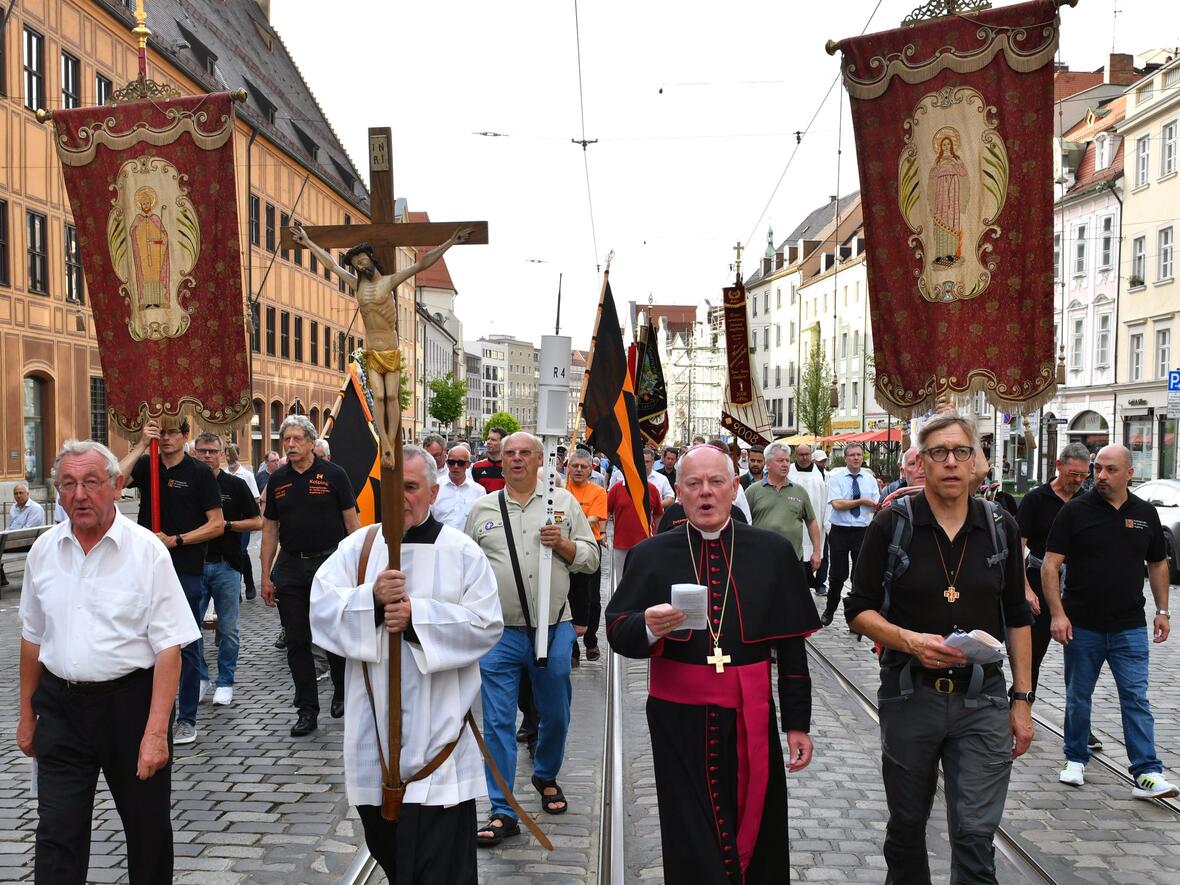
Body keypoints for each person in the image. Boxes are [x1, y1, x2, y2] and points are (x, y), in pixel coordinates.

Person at [605, 444, 819, 883]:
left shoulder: (773, 552)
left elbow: (793, 649)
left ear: (734, 488)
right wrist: (648, 625)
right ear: (678, 493)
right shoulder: (651, 554)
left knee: (759, 824)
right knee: (690, 832)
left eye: (716, 482)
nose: (706, 493)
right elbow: (617, 630)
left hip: (752, 714)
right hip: (678, 720)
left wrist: (797, 723)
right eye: (694, 484)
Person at [845, 412, 1033, 884]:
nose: (951, 462)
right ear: (921, 462)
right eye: (938, 453)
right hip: (911, 695)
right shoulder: (893, 524)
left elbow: (1017, 614)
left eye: (961, 452)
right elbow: (859, 609)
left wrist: (1023, 699)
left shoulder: (999, 527)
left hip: (982, 699)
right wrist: (909, 641)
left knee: (974, 833)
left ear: (975, 462)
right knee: (907, 825)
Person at [309, 445, 503, 883]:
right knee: (393, 855)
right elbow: (320, 611)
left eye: (411, 488)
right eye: (392, 488)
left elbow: (486, 625)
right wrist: (372, 603)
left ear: (433, 492)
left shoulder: (462, 552)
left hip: (440, 739)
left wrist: (419, 618)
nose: (401, 499)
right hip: (373, 738)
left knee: (440, 869)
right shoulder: (359, 548)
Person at [18, 439, 200, 884]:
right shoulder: (43, 551)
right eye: (68, 484)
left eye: (91, 483)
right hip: (61, 707)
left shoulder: (146, 551)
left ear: (117, 486)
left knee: (147, 831)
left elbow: (170, 646)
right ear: (58, 492)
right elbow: (32, 639)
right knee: (57, 831)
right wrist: (26, 716)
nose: (79, 495)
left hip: (131, 707)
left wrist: (157, 733)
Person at [464, 432, 599, 845]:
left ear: (541, 460)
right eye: (510, 453)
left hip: (553, 627)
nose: (517, 459)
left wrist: (565, 546)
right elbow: (466, 568)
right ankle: (502, 808)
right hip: (500, 633)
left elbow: (592, 560)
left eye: (525, 453)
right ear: (500, 461)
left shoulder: (563, 503)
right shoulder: (483, 508)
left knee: (555, 713)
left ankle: (545, 773)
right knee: (499, 721)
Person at [1041, 444, 1179, 799]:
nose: (1100, 475)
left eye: (1110, 469)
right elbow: (1050, 564)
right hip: (1082, 623)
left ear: (1129, 473)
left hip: (1129, 625)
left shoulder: (1145, 513)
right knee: (1078, 696)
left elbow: (1158, 564)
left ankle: (1147, 772)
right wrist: (1057, 614)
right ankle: (1075, 758)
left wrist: (1162, 611)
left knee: (1135, 697)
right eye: (1097, 468)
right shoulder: (1076, 511)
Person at [292, 223, 471, 467]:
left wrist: (450, 242)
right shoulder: (358, 286)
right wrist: (308, 243)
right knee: (378, 395)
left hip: (390, 349)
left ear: (372, 259)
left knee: (390, 396)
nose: (361, 266)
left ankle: (390, 443)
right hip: (372, 351)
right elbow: (331, 266)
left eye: (363, 261)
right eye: (357, 265)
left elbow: (421, 264)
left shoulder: (389, 282)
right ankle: (386, 445)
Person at [119, 418, 224, 745]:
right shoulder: (147, 464)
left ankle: (187, 718)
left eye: (171, 432)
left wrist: (176, 540)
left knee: (186, 643)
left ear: (184, 436)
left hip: (185, 569)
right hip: (145, 569)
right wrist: (139, 444)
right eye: (160, 432)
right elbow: (112, 482)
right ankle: (153, 715)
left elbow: (217, 525)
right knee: (143, 641)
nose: (164, 438)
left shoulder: (200, 473)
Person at [260, 415, 361, 736]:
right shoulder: (277, 480)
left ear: (311, 442)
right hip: (290, 567)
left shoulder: (334, 475)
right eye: (285, 439)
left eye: (295, 439)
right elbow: (269, 530)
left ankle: (342, 690)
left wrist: (356, 570)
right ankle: (307, 709)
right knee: (297, 640)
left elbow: (352, 525)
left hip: (329, 564)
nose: (289, 445)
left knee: (333, 634)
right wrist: (265, 575)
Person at [191, 433, 262, 707]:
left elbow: (257, 521)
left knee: (229, 629)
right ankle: (200, 678)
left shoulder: (235, 485)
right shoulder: (189, 484)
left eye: (212, 451)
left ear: (222, 453)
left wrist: (227, 525)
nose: (207, 456)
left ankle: (225, 681)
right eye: (202, 451)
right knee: (191, 629)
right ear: (195, 453)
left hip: (226, 565)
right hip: (194, 566)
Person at [1014, 443, 1090, 699]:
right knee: (1032, 653)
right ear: (1059, 466)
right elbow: (1017, 547)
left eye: (1083, 475)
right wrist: (1024, 588)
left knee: (1083, 658)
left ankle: (1080, 721)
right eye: (1073, 474)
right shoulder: (1036, 499)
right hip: (1037, 579)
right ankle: (1021, 703)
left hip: (1077, 583)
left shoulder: (1087, 501)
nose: (1078, 480)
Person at [822, 442, 879, 625]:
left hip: (862, 531)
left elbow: (876, 503)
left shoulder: (869, 479)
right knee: (838, 575)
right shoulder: (837, 478)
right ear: (845, 458)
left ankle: (856, 617)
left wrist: (866, 503)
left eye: (859, 455)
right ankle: (830, 610)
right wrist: (862, 501)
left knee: (859, 577)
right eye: (852, 455)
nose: (856, 458)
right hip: (840, 531)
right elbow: (837, 504)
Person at [746, 443, 822, 580]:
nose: (785, 464)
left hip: (792, 559)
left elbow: (811, 522)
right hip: (761, 559)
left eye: (787, 460)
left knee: (792, 600)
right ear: (768, 464)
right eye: (780, 460)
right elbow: (742, 523)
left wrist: (817, 552)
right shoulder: (753, 491)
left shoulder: (799, 491)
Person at [564, 449, 608, 663]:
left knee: (592, 598)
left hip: (590, 546)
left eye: (583, 466)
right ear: (568, 467)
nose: (579, 470)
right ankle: (571, 648)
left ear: (591, 469)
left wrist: (569, 521)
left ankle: (591, 640)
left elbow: (593, 520)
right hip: (565, 547)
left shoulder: (598, 492)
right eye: (575, 466)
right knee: (566, 596)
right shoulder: (560, 489)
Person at [788, 443, 828, 591]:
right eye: (801, 454)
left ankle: (818, 583)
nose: (804, 457)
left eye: (807, 454)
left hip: (815, 517)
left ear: (811, 455)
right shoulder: (789, 471)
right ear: (795, 455)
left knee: (817, 550)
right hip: (794, 519)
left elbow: (827, 494)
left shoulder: (821, 472)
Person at [224, 444, 261, 600]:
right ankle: (236, 589)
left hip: (242, 517)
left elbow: (256, 497)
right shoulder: (224, 474)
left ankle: (249, 581)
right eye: (226, 454)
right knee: (231, 551)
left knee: (242, 551)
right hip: (227, 517)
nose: (228, 457)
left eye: (231, 454)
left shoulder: (246, 475)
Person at [3, 481, 46, 586]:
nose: (18, 496)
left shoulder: (35, 508)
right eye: (16, 493)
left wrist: (6, 539)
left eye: (21, 493)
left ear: (28, 494)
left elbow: (27, 532)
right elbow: (9, 527)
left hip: (28, 543)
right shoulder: (14, 507)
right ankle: (1, 577)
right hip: (14, 541)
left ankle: (1, 577)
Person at [432, 445, 484, 531]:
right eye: (451, 462)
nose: (455, 466)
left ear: (468, 464)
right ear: (447, 463)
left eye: (460, 463)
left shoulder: (479, 491)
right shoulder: (435, 487)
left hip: (468, 542)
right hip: (439, 541)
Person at [472, 426, 508, 494]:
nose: (488, 442)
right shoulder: (477, 466)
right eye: (488, 439)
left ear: (503, 443)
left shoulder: (509, 467)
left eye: (493, 440)